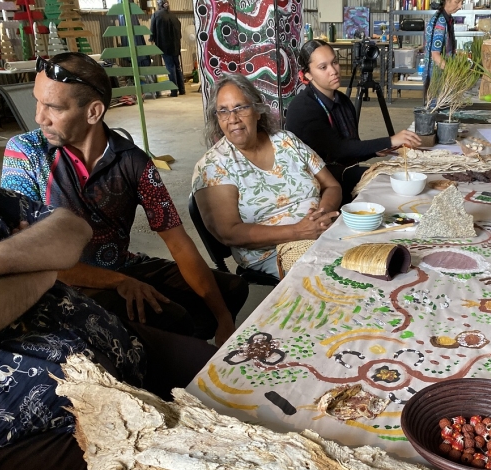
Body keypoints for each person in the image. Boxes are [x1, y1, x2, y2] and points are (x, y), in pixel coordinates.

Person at [0, 174, 219, 470]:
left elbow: (71, 228)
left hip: (116, 348)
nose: (43, 116)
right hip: (24, 430)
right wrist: (40, 268)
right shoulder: (30, 156)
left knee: (246, 385)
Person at [1, 52, 247, 347]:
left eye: (53, 107)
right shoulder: (26, 152)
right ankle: (169, 351)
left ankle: (175, 349)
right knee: (172, 316)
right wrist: (119, 282)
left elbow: (179, 243)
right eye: (38, 101)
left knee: (230, 290)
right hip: (58, 284)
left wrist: (223, 321)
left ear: (93, 112)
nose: (39, 116)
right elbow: (28, 258)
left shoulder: (133, 162)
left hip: (121, 266)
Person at [191, 73, 341, 279]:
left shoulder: (286, 141)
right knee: (336, 278)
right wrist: (299, 231)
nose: (233, 119)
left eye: (240, 108)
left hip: (321, 231)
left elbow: (332, 186)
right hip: (271, 253)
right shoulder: (213, 166)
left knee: (375, 259)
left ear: (257, 111)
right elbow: (229, 232)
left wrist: (321, 218)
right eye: (223, 111)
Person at [285, 40, 421, 205]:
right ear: (307, 74)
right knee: (387, 183)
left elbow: (351, 147)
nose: (333, 71)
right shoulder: (302, 108)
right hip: (321, 184)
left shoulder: (342, 101)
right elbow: (338, 150)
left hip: (344, 172)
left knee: (400, 177)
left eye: (334, 62)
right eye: (323, 67)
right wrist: (390, 140)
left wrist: (377, 150)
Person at [423, 0, 461, 94]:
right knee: (437, 106)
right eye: (457, 2)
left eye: (462, 2)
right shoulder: (440, 22)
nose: (460, 6)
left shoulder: (447, 19)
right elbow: (435, 56)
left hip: (441, 71)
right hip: (436, 73)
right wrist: (453, 73)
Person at [150, 0, 185, 97]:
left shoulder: (156, 15)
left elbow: (152, 30)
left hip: (164, 46)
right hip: (176, 46)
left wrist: (152, 39)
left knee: (170, 67)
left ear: (158, 5)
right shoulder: (174, 16)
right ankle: (182, 90)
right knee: (177, 67)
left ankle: (174, 92)